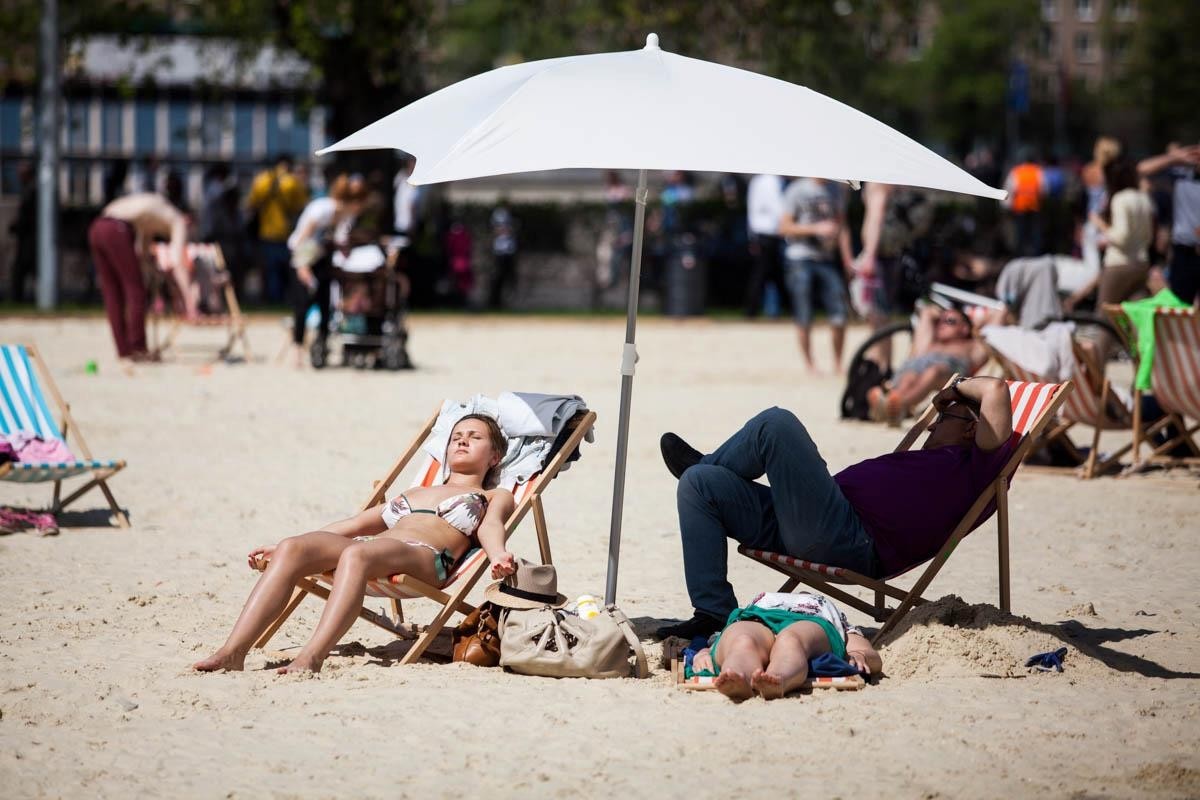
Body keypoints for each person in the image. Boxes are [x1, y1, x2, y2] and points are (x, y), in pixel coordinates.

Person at [656, 375, 1016, 639]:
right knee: (699, 486)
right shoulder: (941, 460)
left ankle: (706, 462)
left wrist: (954, 390)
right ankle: (712, 612)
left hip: (846, 537)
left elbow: (997, 390)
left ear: (972, 429)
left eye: (942, 420)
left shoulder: (975, 465)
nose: (930, 428)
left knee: (776, 424)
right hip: (814, 519)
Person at [194, 414, 519, 674]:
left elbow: (491, 526)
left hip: (425, 558)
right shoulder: (414, 492)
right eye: (457, 436)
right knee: (294, 546)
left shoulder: (493, 495)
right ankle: (232, 652)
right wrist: (283, 550)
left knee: (357, 552)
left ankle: (311, 657)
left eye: (475, 436)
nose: (462, 439)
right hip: (373, 549)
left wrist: (498, 555)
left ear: (494, 456)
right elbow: (351, 525)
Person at [689, 590, 882, 702]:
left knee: (791, 640)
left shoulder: (824, 607)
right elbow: (715, 640)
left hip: (811, 620)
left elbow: (865, 651)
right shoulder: (766, 599)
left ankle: (778, 679)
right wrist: (703, 653)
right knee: (743, 640)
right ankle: (738, 676)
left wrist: (861, 655)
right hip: (758, 617)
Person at [87, 192, 190, 363]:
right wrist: (188, 300)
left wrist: (151, 270)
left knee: (112, 292)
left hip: (97, 227)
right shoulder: (178, 220)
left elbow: (141, 254)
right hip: (116, 229)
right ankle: (138, 348)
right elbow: (178, 263)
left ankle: (124, 350)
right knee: (135, 290)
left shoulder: (150, 214)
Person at [286, 174, 367, 365]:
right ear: (352, 203)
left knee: (325, 304)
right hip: (302, 258)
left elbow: (337, 242)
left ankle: (319, 347)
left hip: (321, 258)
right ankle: (298, 353)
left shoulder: (344, 217)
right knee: (302, 306)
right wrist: (302, 266)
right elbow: (300, 241)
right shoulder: (322, 209)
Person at [867, 305, 989, 424]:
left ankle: (899, 404)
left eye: (950, 321)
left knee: (933, 372)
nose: (942, 324)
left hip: (949, 374)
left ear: (965, 328)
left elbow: (999, 317)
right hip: (920, 369)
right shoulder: (931, 342)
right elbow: (927, 312)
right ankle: (893, 404)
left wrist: (978, 322)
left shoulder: (972, 345)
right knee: (910, 375)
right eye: (939, 321)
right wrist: (937, 314)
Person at [1064, 158, 1155, 320]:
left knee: (1105, 318)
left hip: (1119, 263)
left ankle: (1099, 347)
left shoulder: (1120, 199)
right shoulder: (1143, 197)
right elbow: (1148, 236)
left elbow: (1121, 237)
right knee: (1136, 319)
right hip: (1141, 263)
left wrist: (1101, 225)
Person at [778, 176, 848, 373]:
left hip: (826, 258)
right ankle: (810, 365)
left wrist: (847, 259)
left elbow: (842, 226)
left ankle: (837, 364)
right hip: (799, 257)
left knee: (839, 312)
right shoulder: (797, 189)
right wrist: (815, 228)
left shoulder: (836, 190)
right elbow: (783, 227)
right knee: (804, 313)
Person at [1138, 143, 1200, 304]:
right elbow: (1142, 169)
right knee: (1179, 304)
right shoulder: (1181, 174)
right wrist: (1173, 158)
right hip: (1184, 251)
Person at [246, 154, 308, 303]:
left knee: (270, 270)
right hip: (286, 233)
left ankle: (273, 298)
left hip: (266, 233)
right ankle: (285, 297)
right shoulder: (292, 182)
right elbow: (301, 206)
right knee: (288, 268)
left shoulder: (262, 180)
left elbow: (251, 204)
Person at [744, 174, 785, 318]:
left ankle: (768, 309)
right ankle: (754, 310)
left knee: (765, 274)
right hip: (769, 233)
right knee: (763, 274)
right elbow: (778, 208)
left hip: (759, 232)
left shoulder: (757, 180)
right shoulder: (771, 182)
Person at [1081, 137, 1121, 274]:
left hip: (1092, 219)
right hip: (1108, 220)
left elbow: (1084, 198)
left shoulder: (1089, 170)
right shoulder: (1114, 173)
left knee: (1092, 265)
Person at [1003, 148, 1046, 257]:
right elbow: (1044, 189)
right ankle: (1036, 254)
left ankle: (1020, 254)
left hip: (1020, 207)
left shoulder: (1016, 172)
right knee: (1035, 233)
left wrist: (1007, 206)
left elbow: (1009, 190)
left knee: (1020, 233)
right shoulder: (1037, 171)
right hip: (1034, 206)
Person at [7, 162, 36, 303]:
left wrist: (15, 226)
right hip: (28, 239)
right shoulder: (30, 190)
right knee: (25, 270)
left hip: (30, 239)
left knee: (21, 270)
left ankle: (18, 299)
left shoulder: (32, 191)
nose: (18, 176)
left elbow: (27, 217)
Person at [488, 199, 519, 309]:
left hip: (509, 250)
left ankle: (507, 302)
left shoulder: (510, 216)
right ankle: (494, 302)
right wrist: (507, 230)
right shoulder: (500, 214)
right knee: (498, 276)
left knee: (510, 277)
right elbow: (496, 230)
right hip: (500, 251)